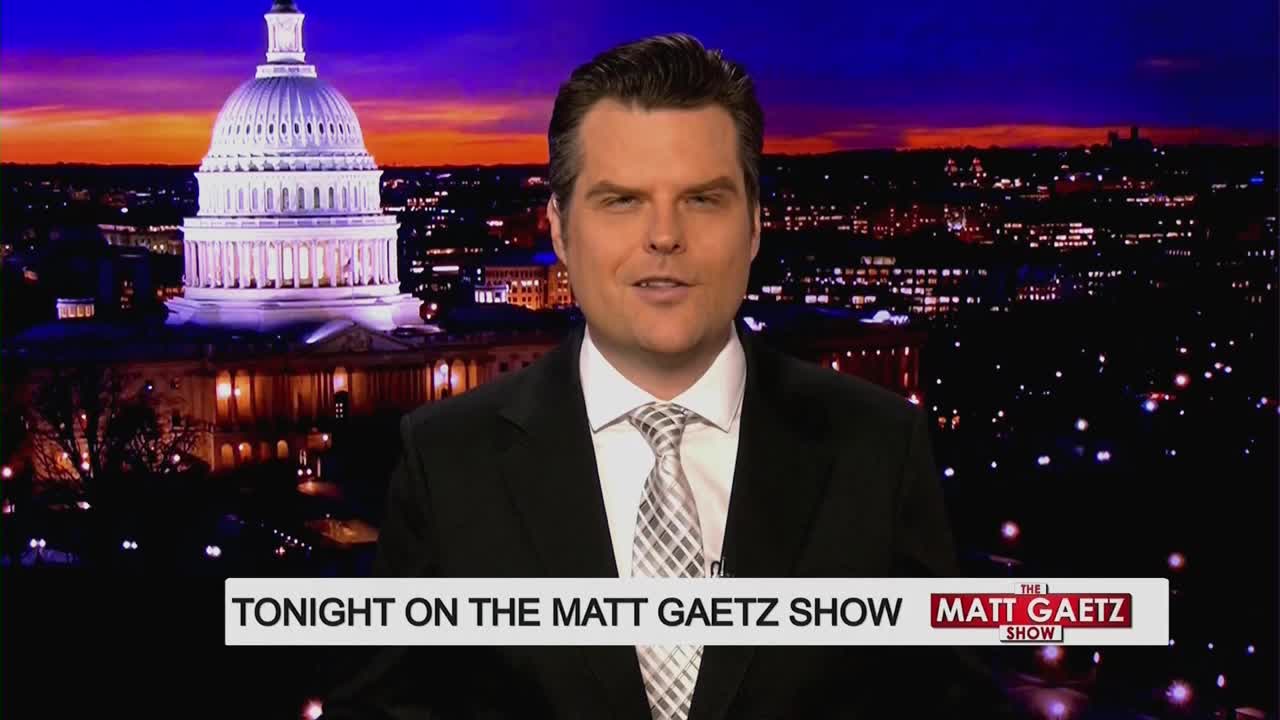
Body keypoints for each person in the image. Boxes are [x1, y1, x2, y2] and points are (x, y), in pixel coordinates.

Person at [322, 32, 1013, 720]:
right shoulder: (448, 461)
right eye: (621, 200)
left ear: (754, 227)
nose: (664, 235)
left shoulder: (879, 446)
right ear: (559, 231)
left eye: (704, 199)